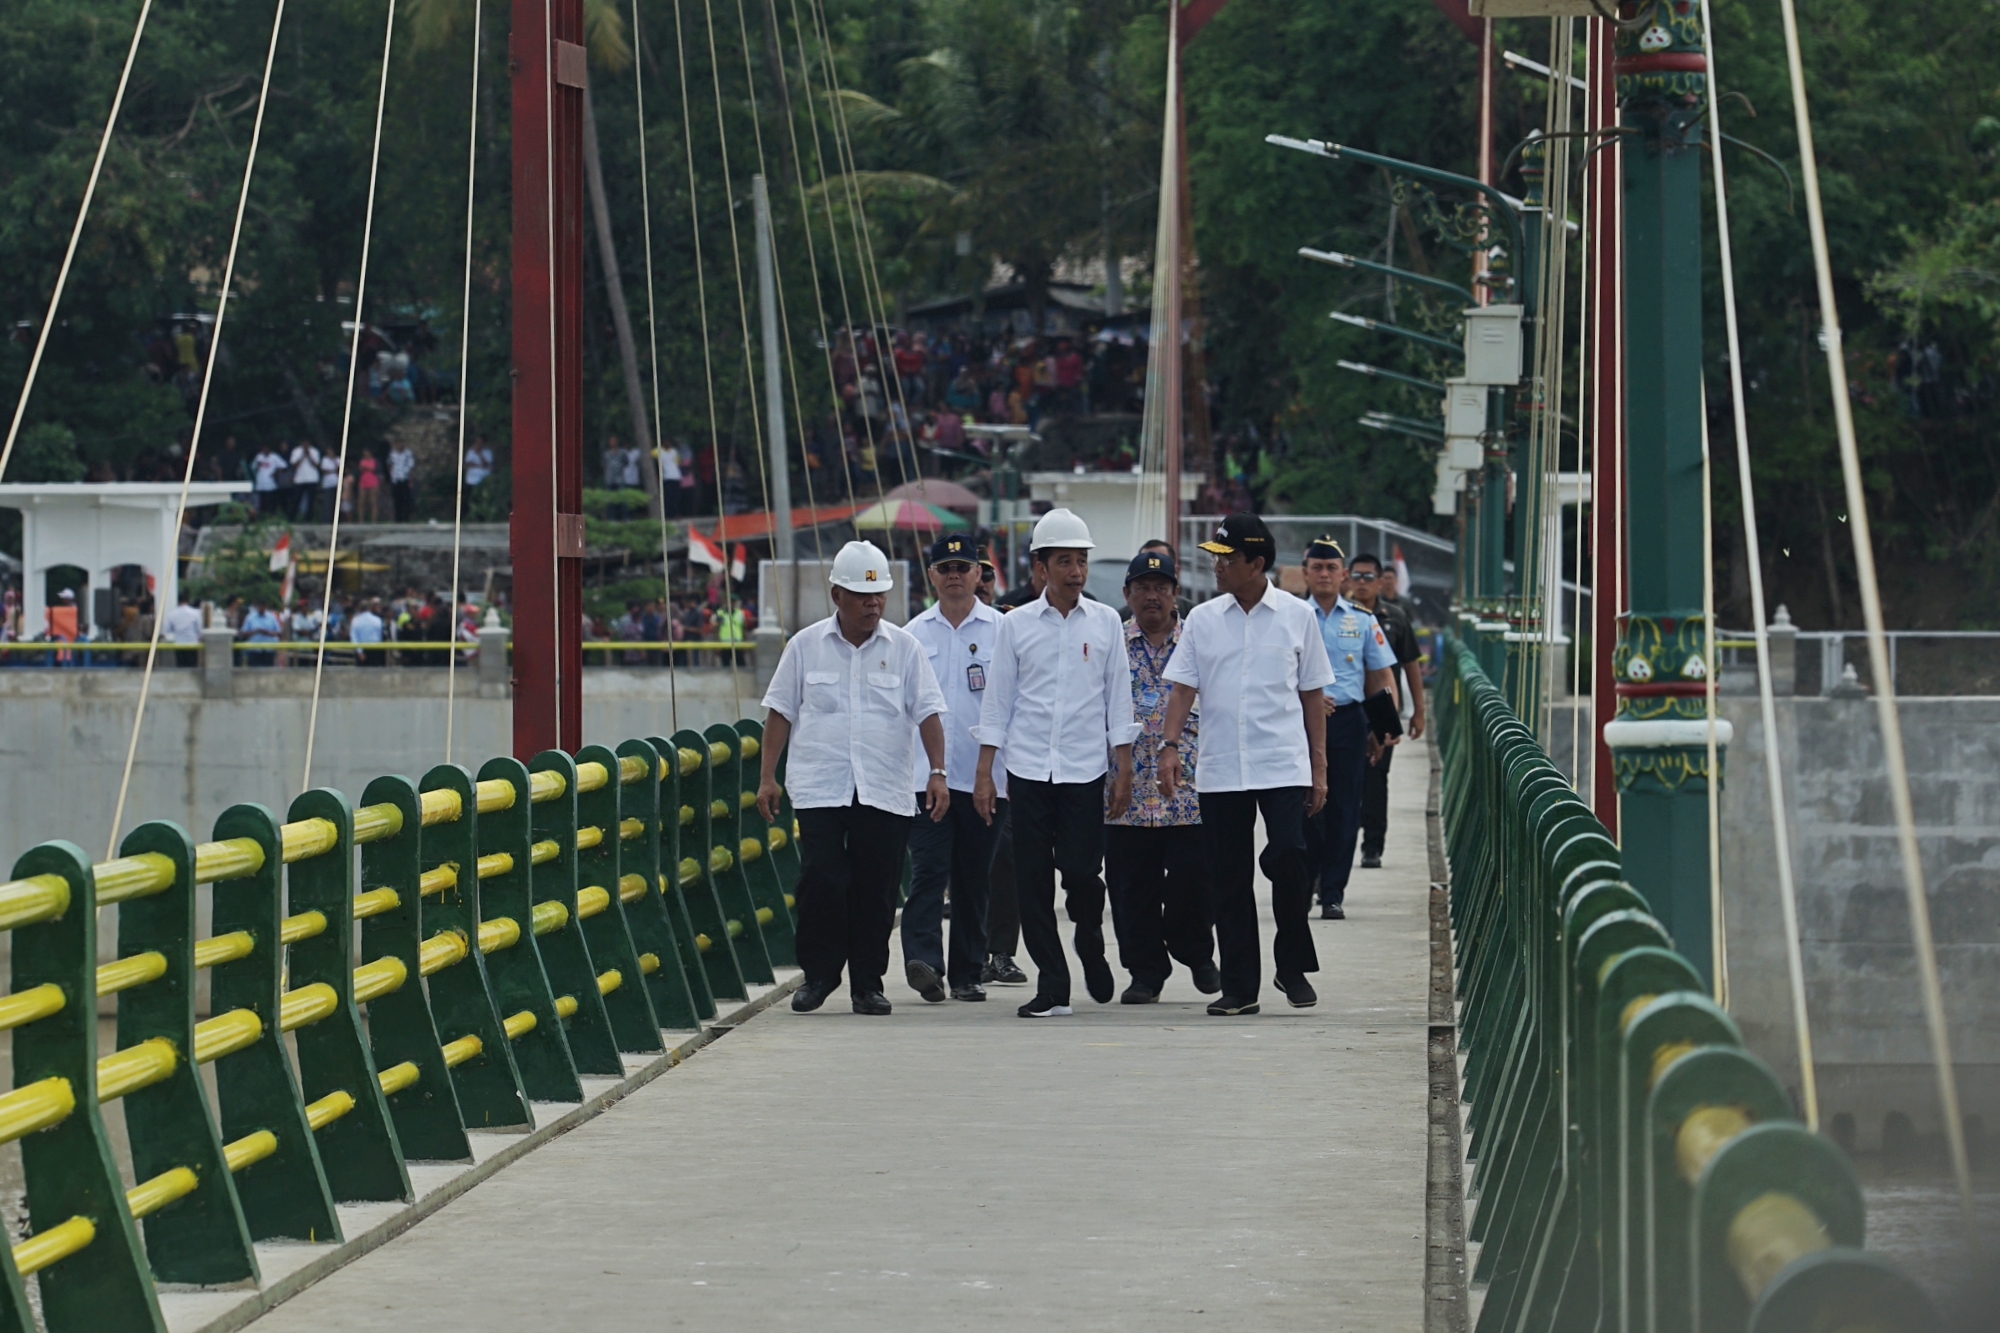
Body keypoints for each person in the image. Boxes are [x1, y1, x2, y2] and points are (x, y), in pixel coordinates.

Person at [757, 540, 949, 1016]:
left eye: (880, 595)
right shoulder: (804, 646)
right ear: (836, 595)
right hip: (820, 786)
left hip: (884, 788)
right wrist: (767, 777)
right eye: (863, 596)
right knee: (821, 880)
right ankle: (819, 976)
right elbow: (779, 713)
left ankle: (867, 983)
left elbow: (928, 714)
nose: (873, 604)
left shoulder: (905, 649)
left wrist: (939, 773)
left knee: (877, 887)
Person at [1156, 513, 1334, 1015]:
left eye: (1227, 558)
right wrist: (1169, 747)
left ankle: (1292, 965)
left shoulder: (1297, 616)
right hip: (1221, 767)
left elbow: (1312, 694)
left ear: (1257, 564)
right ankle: (1239, 988)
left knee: (1290, 859)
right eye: (1215, 557)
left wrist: (1319, 769)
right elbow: (1183, 688)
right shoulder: (1203, 620)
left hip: (1281, 762)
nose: (1217, 566)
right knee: (1228, 877)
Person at [974, 508, 1137, 1018]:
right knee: (1032, 881)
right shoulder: (1015, 624)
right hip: (1026, 770)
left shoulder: (1108, 621)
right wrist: (985, 773)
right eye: (1064, 561)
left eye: (1081, 561)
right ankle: (1053, 984)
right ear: (1041, 567)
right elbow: (997, 701)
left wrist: (1124, 768)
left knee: (1084, 876)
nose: (1076, 571)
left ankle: (1090, 943)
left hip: (1085, 770)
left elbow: (1119, 699)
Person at [1106, 548, 1219, 1003]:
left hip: (1190, 788)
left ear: (1176, 594)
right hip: (1125, 790)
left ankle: (1194, 949)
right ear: (1127, 593)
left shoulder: (1199, 642)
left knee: (1195, 880)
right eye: (1143, 588)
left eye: (1161, 588)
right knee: (1132, 889)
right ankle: (1145, 973)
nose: (1152, 596)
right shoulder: (1112, 643)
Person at [900, 534, 1008, 1003]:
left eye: (963, 567)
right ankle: (924, 962)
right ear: (932, 576)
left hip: (987, 777)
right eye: (945, 568)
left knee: (973, 877)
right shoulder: (912, 635)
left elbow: (1012, 704)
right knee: (927, 870)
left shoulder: (1003, 631)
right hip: (927, 777)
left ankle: (967, 972)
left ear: (980, 574)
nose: (955, 576)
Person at [1298, 536, 1398, 919]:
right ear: (1306, 572)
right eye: (1317, 567)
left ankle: (1333, 891)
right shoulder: (1292, 616)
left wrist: (1383, 728)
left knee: (1344, 808)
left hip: (1348, 722)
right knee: (1305, 806)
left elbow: (1380, 675)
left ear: (1343, 575)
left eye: (1331, 568)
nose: (1324, 574)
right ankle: (1305, 884)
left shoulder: (1362, 619)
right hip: (1303, 722)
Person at [1346, 552, 1426, 869]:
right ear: (1348, 579)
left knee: (1377, 780)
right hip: (1346, 707)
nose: (1363, 582)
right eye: (1358, 575)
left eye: (1369, 577)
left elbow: (1411, 666)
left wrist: (1418, 712)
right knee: (1343, 783)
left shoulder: (1394, 617)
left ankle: (1372, 846)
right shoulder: (1339, 617)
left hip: (1383, 708)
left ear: (1380, 582)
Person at [164, 591, 203, 667]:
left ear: (177, 601)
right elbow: (199, 630)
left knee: (181, 667)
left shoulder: (172, 614)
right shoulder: (196, 613)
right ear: (188, 600)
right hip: (193, 644)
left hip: (179, 644)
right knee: (192, 667)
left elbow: (168, 630)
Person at [241, 599, 281, 667]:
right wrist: (256, 631)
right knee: (253, 671)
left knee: (268, 672)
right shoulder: (250, 617)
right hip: (254, 650)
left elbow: (279, 632)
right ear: (257, 606)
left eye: (263, 606)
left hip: (269, 650)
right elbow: (243, 633)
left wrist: (268, 632)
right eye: (260, 606)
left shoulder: (271, 617)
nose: (261, 608)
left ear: (266, 606)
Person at [288, 441, 322, 520]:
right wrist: (303, 456)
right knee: (296, 499)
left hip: (312, 479)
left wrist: (309, 456)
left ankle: (308, 519)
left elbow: (316, 465)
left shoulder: (314, 451)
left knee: (311, 501)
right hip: (299, 479)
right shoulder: (296, 451)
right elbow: (294, 465)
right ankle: (292, 518)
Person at [252, 444, 287, 514]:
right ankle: (262, 516)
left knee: (270, 503)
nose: (264, 450)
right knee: (261, 503)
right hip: (260, 484)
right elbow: (254, 467)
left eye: (266, 448)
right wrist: (258, 465)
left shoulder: (274, 456)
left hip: (270, 484)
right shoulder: (259, 456)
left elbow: (284, 465)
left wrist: (276, 472)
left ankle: (271, 516)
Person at [388, 441, 417, 521]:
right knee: (397, 500)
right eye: (398, 443)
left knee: (405, 500)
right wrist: (391, 475)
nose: (399, 445)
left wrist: (411, 480)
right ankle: (398, 519)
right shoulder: (392, 454)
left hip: (405, 479)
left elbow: (411, 467)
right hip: (396, 479)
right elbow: (389, 465)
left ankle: (406, 518)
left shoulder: (408, 454)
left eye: (401, 443)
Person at [352, 598, 385, 666]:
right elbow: (380, 636)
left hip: (362, 649)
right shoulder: (378, 620)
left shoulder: (356, 620)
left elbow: (354, 637)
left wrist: (359, 652)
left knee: (362, 674)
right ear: (370, 608)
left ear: (359, 608)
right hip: (376, 649)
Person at [357, 449, 383, 522]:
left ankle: (374, 520)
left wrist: (367, 468)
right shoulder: (362, 461)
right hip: (363, 482)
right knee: (361, 501)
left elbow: (374, 469)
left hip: (373, 482)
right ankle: (360, 520)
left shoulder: (375, 461)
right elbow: (360, 469)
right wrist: (366, 468)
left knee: (373, 501)